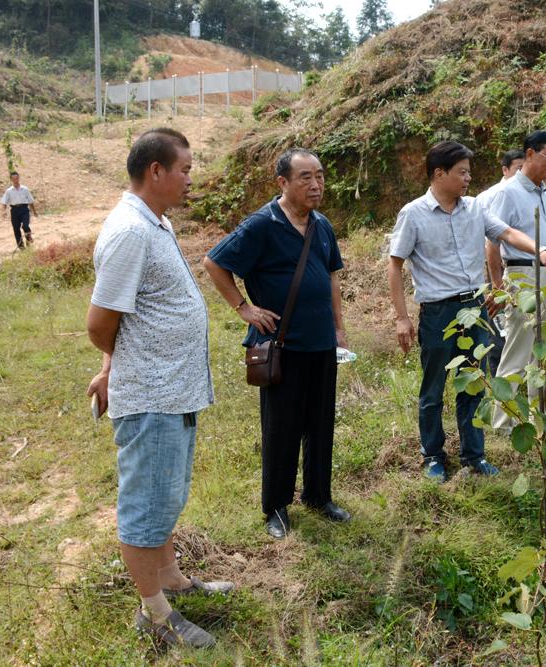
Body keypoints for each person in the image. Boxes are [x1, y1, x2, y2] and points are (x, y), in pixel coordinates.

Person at [85, 128, 231, 649]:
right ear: (156, 172)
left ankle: (170, 577)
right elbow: (101, 322)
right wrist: (118, 364)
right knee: (145, 507)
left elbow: (130, 313)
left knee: (166, 495)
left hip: (172, 391)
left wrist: (111, 365)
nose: (191, 179)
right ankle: (154, 613)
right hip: (152, 395)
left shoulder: (155, 222)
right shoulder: (131, 231)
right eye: (185, 170)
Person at [387, 141, 546, 482]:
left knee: (473, 383)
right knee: (433, 388)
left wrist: (540, 251)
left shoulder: (474, 208)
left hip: (474, 307)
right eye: (462, 172)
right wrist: (401, 317)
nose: (468, 178)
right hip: (438, 312)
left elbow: (507, 233)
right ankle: (433, 455)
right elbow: (395, 264)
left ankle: (474, 455)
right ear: (439, 174)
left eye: (469, 172)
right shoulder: (413, 213)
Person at [203, 149, 349, 540]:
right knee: (281, 428)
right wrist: (244, 308)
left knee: (320, 423)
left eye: (319, 175)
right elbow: (214, 263)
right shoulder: (262, 225)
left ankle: (318, 496)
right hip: (281, 346)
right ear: (282, 182)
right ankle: (276, 507)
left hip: (320, 341)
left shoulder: (322, 225)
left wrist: (338, 328)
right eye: (305, 177)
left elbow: (332, 277)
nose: (316, 184)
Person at [486, 130, 546, 441]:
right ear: (529, 154)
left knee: (544, 353)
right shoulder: (508, 193)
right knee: (518, 350)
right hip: (522, 276)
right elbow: (492, 243)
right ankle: (504, 423)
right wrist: (498, 286)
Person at [478, 149, 525, 375]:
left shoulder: (529, 193)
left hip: (521, 271)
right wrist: (496, 284)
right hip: (495, 270)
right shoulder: (491, 196)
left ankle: (520, 373)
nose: (522, 173)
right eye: (518, 169)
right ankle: (499, 375)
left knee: (521, 323)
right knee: (499, 324)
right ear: (505, 170)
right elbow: (490, 244)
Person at [1, 171, 38, 249]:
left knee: (25, 225)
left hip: (24, 209)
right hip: (14, 211)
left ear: (19, 178)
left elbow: (31, 201)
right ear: (11, 180)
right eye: (14, 179)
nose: (16, 180)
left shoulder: (25, 189)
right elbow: (4, 202)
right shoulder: (9, 191)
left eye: (17, 178)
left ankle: (28, 239)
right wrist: (3, 211)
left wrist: (34, 211)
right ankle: (21, 247)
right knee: (16, 229)